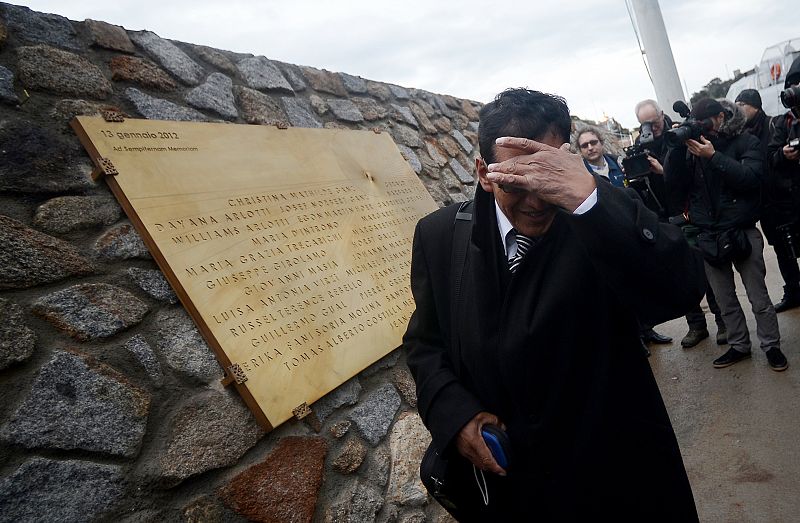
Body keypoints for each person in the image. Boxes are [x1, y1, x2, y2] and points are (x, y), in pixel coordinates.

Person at [405, 88, 703, 521]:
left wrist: (589, 198)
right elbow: (424, 344)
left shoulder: (600, 217)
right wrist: (456, 416)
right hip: (515, 492)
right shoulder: (440, 235)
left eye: (545, 171)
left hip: (617, 480)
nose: (534, 197)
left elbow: (680, 289)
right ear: (483, 173)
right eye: (515, 179)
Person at [664, 97, 788, 371]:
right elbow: (673, 185)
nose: (704, 128)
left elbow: (751, 179)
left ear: (721, 117)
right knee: (725, 300)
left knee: (758, 297)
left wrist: (713, 156)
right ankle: (739, 345)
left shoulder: (745, 141)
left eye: (707, 121)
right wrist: (675, 149)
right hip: (708, 234)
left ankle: (772, 346)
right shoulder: (691, 148)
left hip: (742, 231)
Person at [637, 98, 726, 348]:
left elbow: (690, 176)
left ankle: (723, 322)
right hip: (661, 217)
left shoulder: (680, 135)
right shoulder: (640, 144)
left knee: (705, 268)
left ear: (662, 115)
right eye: (644, 124)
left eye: (653, 123)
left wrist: (663, 170)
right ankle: (696, 325)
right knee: (681, 274)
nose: (650, 129)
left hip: (688, 212)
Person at [576, 124, 672, 350]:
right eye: (584, 145)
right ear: (580, 150)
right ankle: (634, 337)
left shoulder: (619, 164)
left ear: (601, 142)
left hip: (630, 232)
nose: (590, 148)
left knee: (640, 284)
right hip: (604, 239)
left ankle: (648, 329)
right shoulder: (580, 174)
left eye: (593, 142)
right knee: (619, 291)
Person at [764, 58, 800, 312]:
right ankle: (795, 292)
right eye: (793, 84)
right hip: (792, 202)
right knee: (788, 252)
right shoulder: (781, 123)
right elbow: (770, 157)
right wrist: (784, 155)